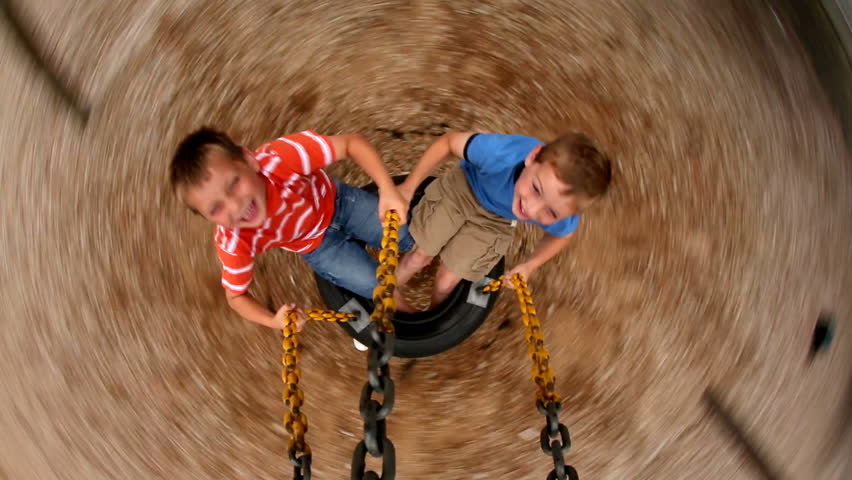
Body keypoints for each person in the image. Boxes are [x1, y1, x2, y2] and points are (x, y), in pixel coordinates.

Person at [169, 127, 413, 331]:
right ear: (207, 218)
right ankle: (417, 322)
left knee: (408, 235)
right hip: (318, 246)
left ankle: (429, 261)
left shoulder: (280, 158)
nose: (235, 205)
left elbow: (351, 143)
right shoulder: (235, 242)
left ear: (249, 160)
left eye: (233, 183)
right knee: (377, 286)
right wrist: (274, 320)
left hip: (340, 203)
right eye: (215, 209)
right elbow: (235, 297)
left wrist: (387, 189)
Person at [395, 131, 612, 309]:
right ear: (533, 157)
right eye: (536, 189)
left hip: (496, 219)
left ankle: (431, 323)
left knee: (446, 282)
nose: (531, 209)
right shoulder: (499, 154)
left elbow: (562, 235)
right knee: (419, 255)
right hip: (462, 190)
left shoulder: (562, 210)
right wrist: (409, 187)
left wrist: (530, 266)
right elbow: (448, 142)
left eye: (552, 213)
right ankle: (382, 293)